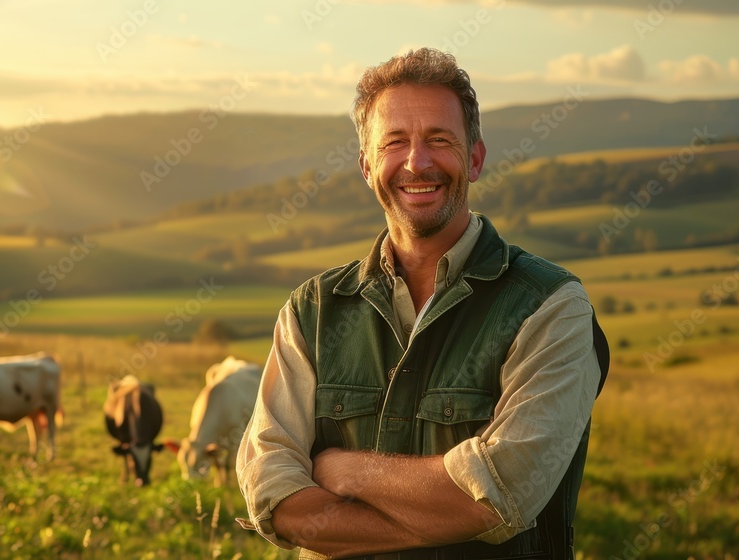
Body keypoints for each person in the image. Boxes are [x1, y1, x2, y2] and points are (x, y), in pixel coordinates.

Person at [236, 48, 609, 559]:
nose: (417, 162)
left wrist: (347, 469)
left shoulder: (550, 306)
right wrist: (443, 514)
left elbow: (500, 496)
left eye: (439, 139)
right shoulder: (312, 312)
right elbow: (274, 496)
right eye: (395, 142)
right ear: (367, 166)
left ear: (474, 158)